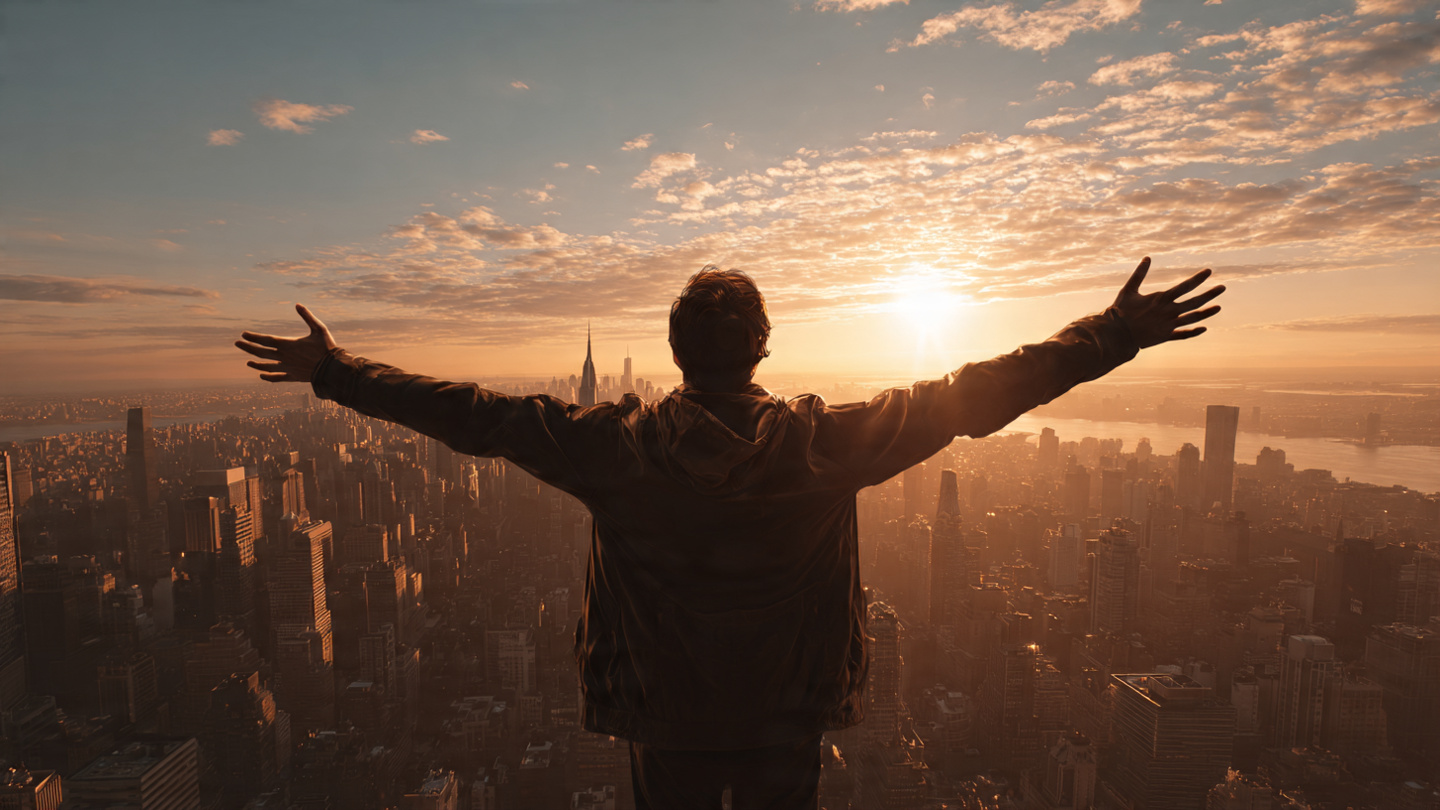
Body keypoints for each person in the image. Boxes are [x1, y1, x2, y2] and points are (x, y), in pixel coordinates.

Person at [236, 257, 1223, 809]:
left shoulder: (613, 449)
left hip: (666, 722)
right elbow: (971, 396)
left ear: (675, 355)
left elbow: (473, 418)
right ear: (761, 349)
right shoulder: (823, 448)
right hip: (784, 718)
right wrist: (1115, 330)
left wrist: (336, 370)